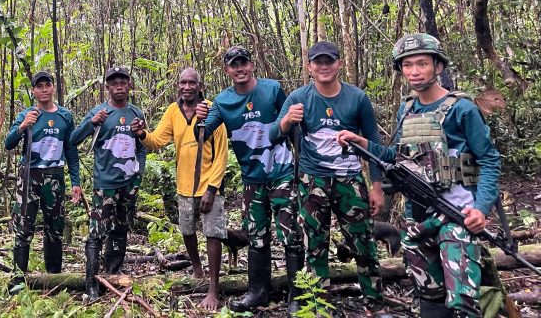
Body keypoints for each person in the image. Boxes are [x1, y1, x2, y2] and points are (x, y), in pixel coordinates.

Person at [337, 34, 501, 318]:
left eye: (422, 64)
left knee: (463, 301)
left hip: (457, 213)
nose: (414, 71)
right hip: (418, 217)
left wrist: (481, 208)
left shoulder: (462, 108)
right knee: (429, 296)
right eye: (407, 65)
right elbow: (399, 157)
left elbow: (489, 159)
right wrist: (362, 143)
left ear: (438, 66)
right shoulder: (407, 108)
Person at [271, 41, 392, 318]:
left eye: (329, 61)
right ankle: (319, 307)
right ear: (309, 67)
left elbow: (373, 142)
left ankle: (375, 305)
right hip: (312, 182)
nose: (324, 67)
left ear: (339, 64)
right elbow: (272, 135)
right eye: (318, 62)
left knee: (364, 244)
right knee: (314, 246)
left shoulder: (357, 98)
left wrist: (376, 187)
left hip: (350, 180)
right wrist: (287, 120)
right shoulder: (298, 97)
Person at [194, 45, 303, 314]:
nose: (240, 68)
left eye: (243, 62)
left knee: (291, 234)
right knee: (256, 235)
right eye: (234, 65)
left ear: (252, 65)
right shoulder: (222, 101)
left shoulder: (272, 89)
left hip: (282, 173)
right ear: (227, 70)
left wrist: (301, 167)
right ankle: (258, 292)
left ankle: (298, 294)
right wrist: (198, 119)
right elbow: (202, 135)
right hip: (252, 179)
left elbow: (291, 127)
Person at [131, 67, 228, 311]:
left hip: (209, 185)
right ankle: (197, 269)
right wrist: (142, 134)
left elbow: (222, 154)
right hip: (184, 185)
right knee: (187, 229)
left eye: (191, 82)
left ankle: (213, 289)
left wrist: (212, 188)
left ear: (199, 85)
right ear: (178, 85)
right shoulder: (173, 111)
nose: (187, 87)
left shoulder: (211, 110)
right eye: (183, 82)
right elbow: (157, 140)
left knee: (213, 234)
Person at [70, 65, 147, 302]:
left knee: (121, 228)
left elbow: (142, 145)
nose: (119, 87)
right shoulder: (99, 112)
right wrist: (92, 123)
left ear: (129, 85)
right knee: (96, 233)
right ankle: (92, 283)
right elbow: (73, 140)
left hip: (129, 183)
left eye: (123, 82)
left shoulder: (136, 113)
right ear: (108, 87)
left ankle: (113, 272)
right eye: (114, 83)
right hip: (105, 184)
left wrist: (139, 173)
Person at [4, 71, 81, 277]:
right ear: (33, 91)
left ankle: (54, 278)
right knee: (23, 226)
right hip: (29, 175)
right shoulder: (27, 114)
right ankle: (18, 279)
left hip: (55, 175)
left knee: (55, 226)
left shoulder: (65, 116)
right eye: (39, 86)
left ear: (53, 87)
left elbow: (71, 150)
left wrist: (76, 181)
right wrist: (23, 126)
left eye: (47, 85)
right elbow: (8, 144)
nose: (44, 90)